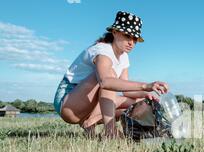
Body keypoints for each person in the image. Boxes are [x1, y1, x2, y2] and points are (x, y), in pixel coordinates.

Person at [53, 11, 169, 139]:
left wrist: (146, 94)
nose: (131, 42)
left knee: (138, 103)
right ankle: (110, 131)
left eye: (134, 39)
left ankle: (90, 122)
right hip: (69, 102)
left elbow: (126, 91)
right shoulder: (102, 50)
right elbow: (105, 82)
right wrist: (145, 85)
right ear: (114, 32)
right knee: (110, 75)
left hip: (90, 104)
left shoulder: (124, 57)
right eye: (127, 36)